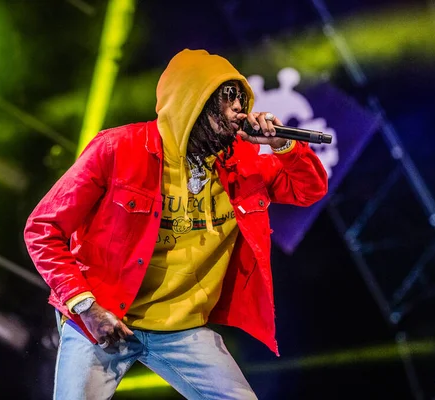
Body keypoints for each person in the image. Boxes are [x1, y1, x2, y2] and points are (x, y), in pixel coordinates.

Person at [24, 48, 328, 400]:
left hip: (181, 330)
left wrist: (282, 144)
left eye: (241, 100)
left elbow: (308, 189)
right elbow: (42, 229)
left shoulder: (243, 165)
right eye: (227, 100)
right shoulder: (119, 149)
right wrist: (86, 307)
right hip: (104, 319)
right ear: (192, 104)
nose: (239, 111)